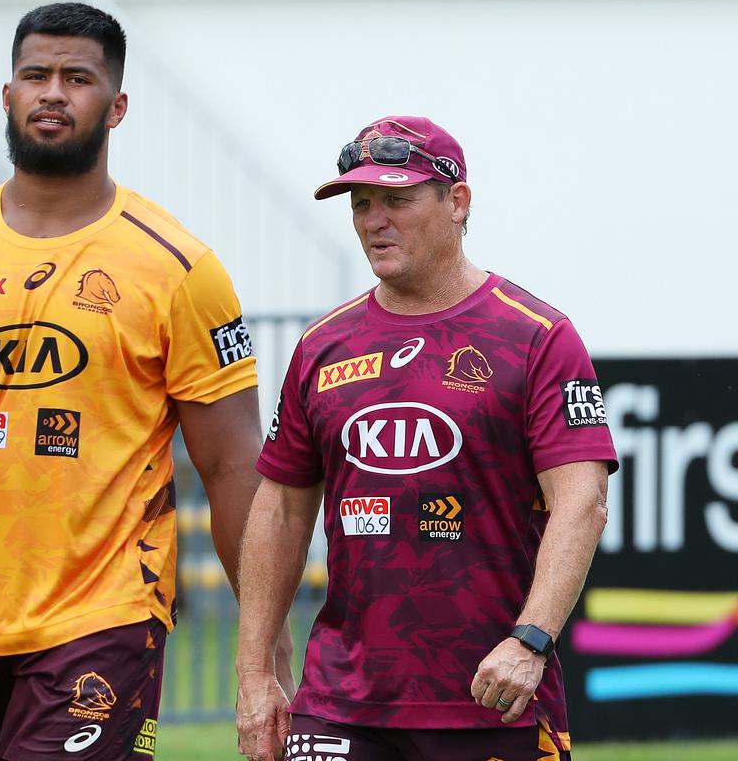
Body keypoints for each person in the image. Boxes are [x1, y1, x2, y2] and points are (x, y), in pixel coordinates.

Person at [0, 3, 292, 760]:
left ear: (116, 108)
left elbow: (235, 465)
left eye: (77, 78)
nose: (53, 92)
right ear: (6, 95)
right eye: (35, 75)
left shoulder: (179, 269)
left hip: (107, 619)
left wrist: (264, 643)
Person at [236, 116, 617, 761]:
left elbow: (582, 502)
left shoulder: (538, 337)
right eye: (360, 203)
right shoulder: (323, 346)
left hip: (494, 696)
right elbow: (279, 508)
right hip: (340, 702)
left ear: (458, 201)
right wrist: (254, 677)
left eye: (398, 198)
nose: (373, 221)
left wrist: (531, 640)